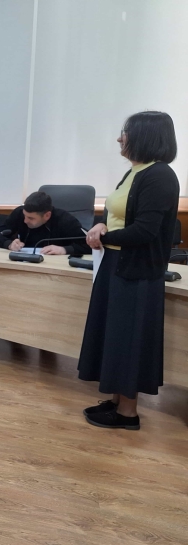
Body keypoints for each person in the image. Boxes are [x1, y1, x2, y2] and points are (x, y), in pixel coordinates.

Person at [78, 111, 179, 430]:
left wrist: (104, 237)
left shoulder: (159, 176)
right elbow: (116, 214)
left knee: (128, 340)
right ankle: (117, 400)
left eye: (126, 132)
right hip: (115, 265)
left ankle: (128, 413)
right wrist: (100, 225)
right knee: (115, 338)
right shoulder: (135, 172)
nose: (120, 138)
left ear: (145, 136)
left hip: (136, 272)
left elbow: (145, 231)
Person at [0, 191, 90, 255]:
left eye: (31, 218)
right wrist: (9, 244)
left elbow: (90, 246)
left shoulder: (65, 220)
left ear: (47, 215)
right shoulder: (19, 213)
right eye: (25, 215)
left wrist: (64, 249)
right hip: (23, 262)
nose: (25, 220)